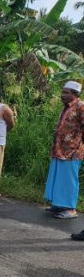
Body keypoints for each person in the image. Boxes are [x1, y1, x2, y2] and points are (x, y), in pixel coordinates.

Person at [44, 81, 84, 219]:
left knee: (69, 180)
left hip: (72, 151)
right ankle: (59, 204)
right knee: (58, 178)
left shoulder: (81, 106)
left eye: (66, 92)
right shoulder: (66, 107)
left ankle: (71, 209)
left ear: (75, 94)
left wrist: (78, 148)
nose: (62, 95)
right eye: (63, 92)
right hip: (59, 150)